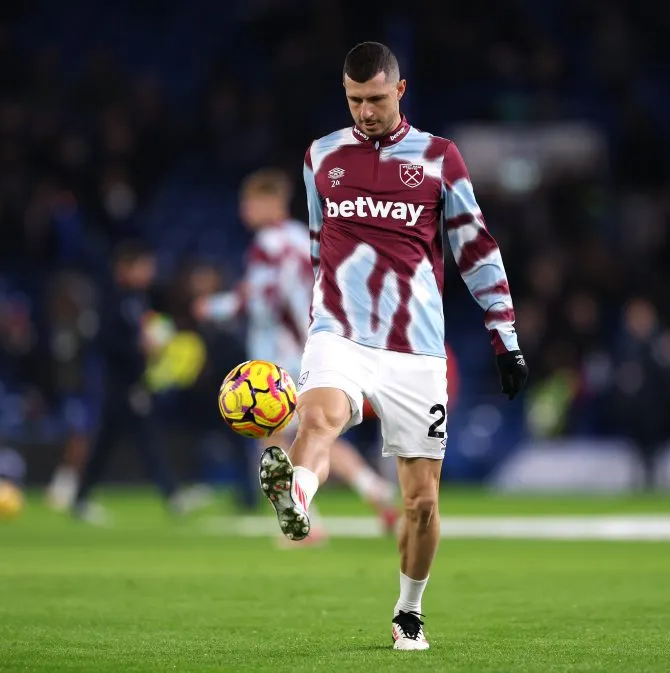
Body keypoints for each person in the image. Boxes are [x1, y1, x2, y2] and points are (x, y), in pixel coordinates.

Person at [256, 42, 528, 650]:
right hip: (339, 332)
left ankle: (409, 610)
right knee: (319, 418)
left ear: (399, 92)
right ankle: (297, 492)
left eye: (376, 99)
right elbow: (317, 242)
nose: (365, 111)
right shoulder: (320, 156)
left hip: (415, 349)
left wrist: (504, 336)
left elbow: (475, 248)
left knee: (422, 504)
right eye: (355, 100)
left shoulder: (438, 158)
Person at [194, 168, 398, 542]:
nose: (245, 209)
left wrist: (214, 308)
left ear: (271, 203)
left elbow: (260, 301)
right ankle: (374, 490)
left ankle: (307, 524)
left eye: (252, 201)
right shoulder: (304, 238)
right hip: (321, 346)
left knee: (268, 438)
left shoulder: (268, 245)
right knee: (319, 433)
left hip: (281, 358)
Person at [71, 240, 183, 521]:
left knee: (108, 443)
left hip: (133, 381)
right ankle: (171, 493)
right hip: (119, 384)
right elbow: (103, 341)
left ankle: (80, 498)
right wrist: (138, 347)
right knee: (145, 441)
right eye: (144, 266)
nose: (150, 272)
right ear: (126, 268)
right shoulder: (111, 298)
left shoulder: (140, 298)